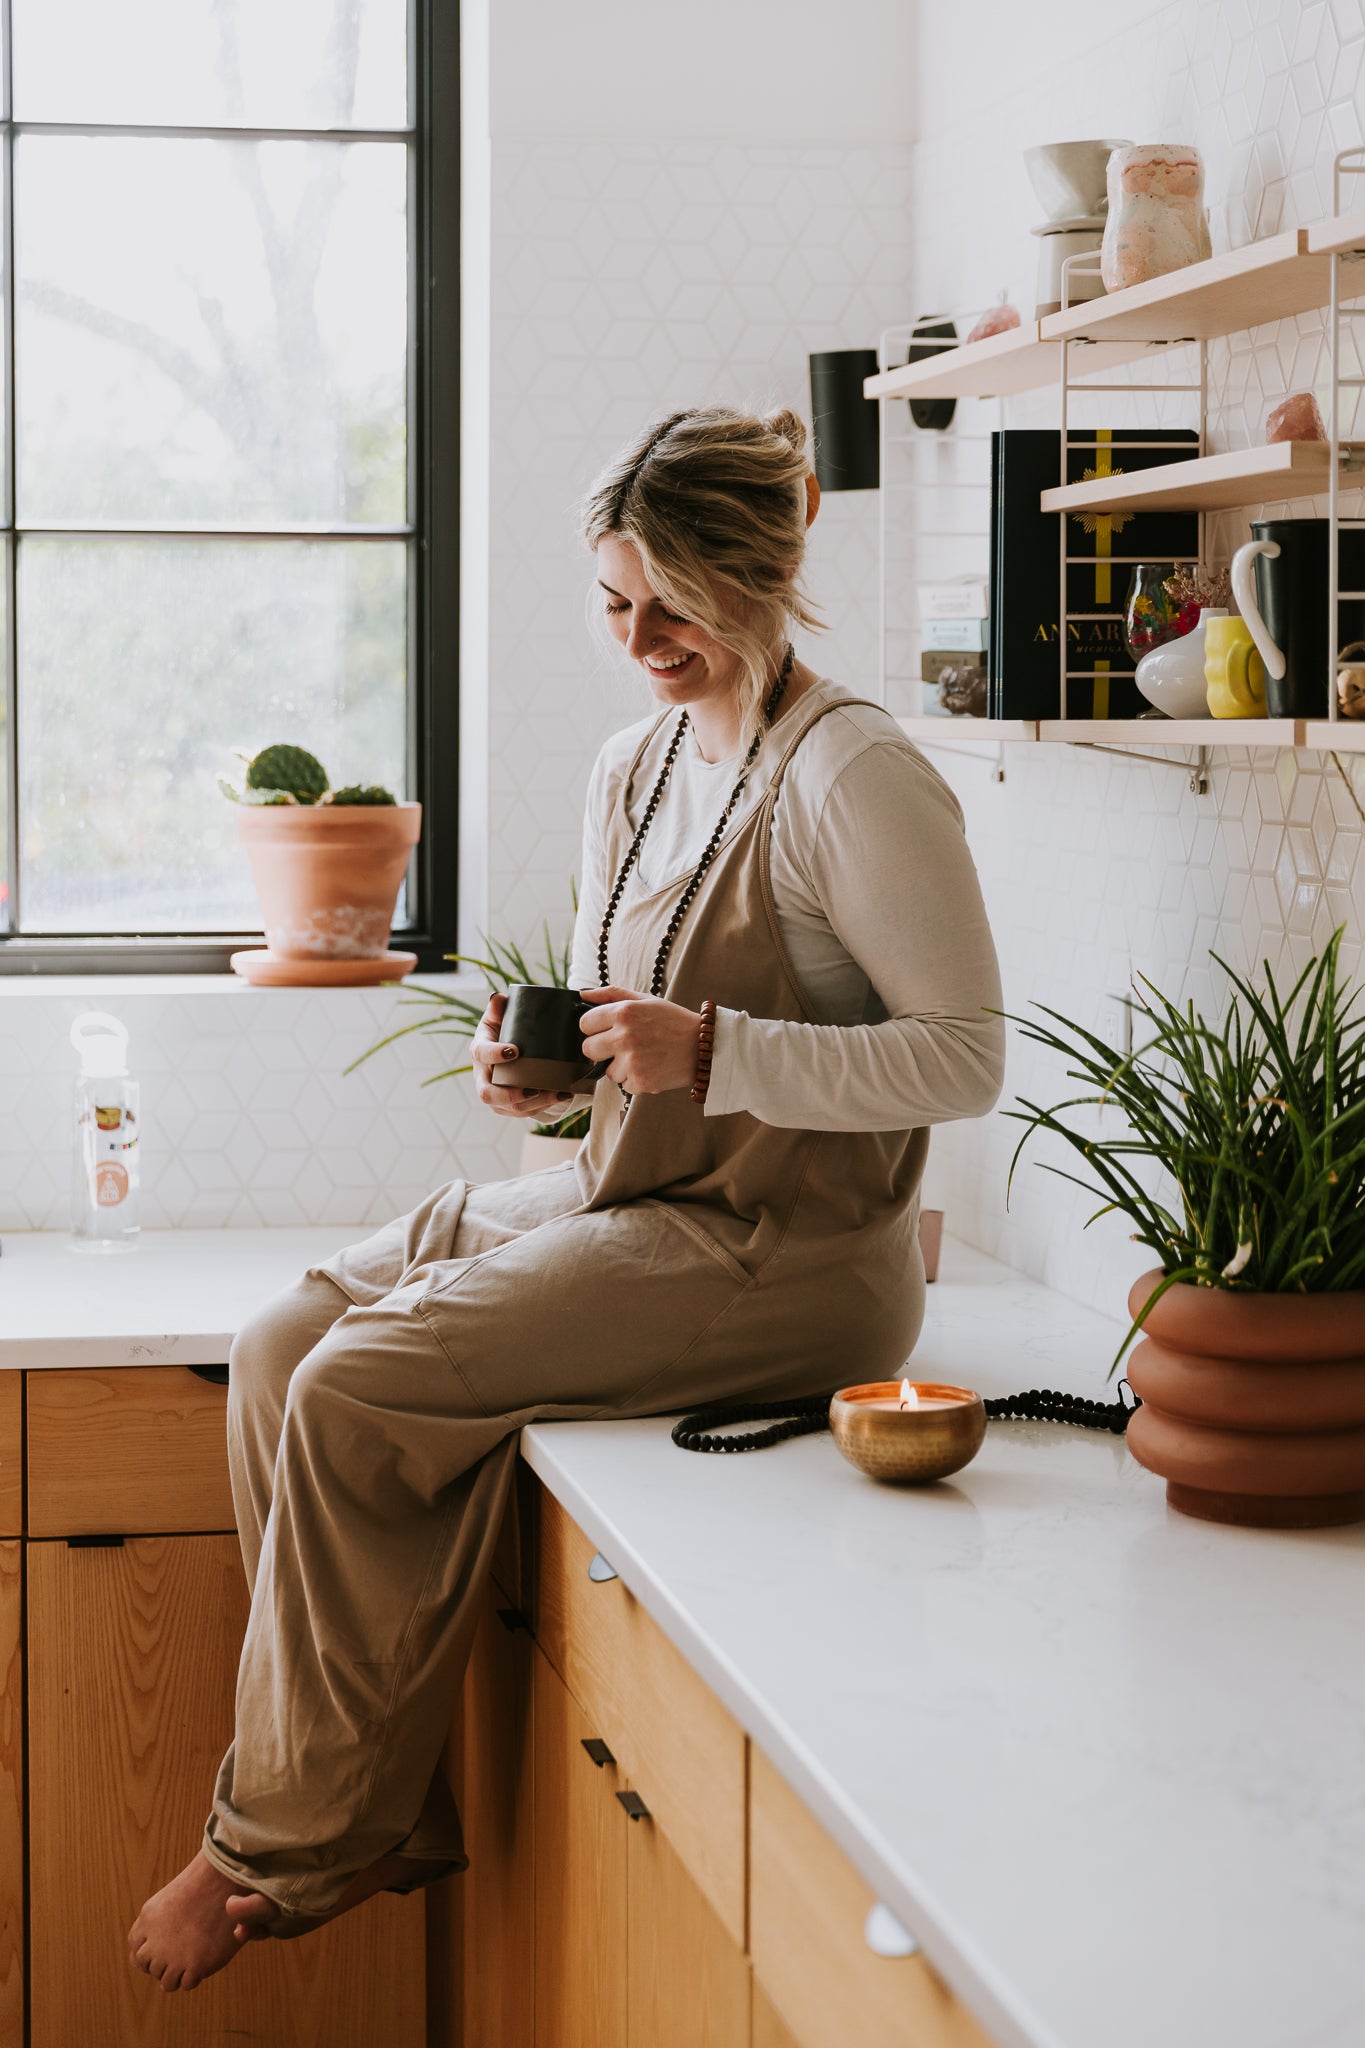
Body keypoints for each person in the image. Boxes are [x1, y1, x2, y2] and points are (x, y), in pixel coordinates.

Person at [127, 403, 1004, 1992]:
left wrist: (710, 1050)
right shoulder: (638, 761)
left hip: (786, 1252)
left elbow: (959, 1058)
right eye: (615, 601)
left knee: (356, 1387)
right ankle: (377, 1811)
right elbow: (631, 1041)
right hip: (623, 1194)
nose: (642, 637)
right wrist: (563, 1078)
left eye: (675, 600)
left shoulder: (853, 773)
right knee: (276, 1343)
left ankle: (284, 1843)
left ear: (769, 567)